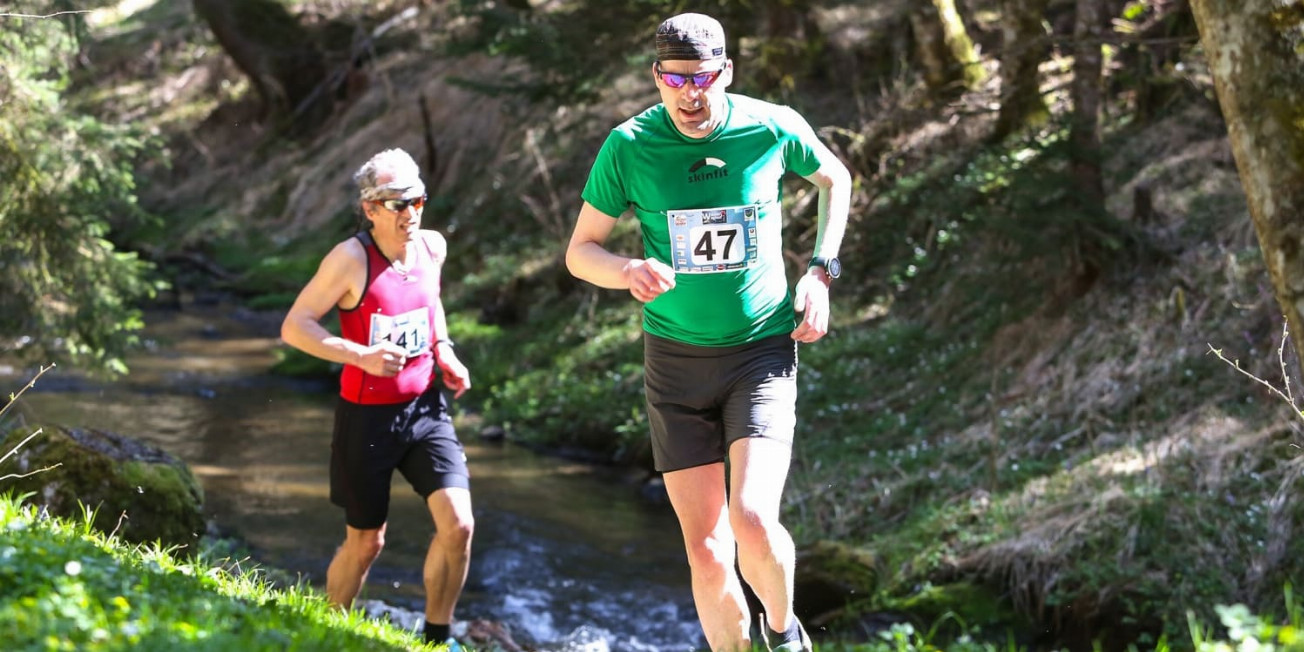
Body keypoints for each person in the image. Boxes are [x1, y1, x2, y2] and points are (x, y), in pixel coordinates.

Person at [564, 12, 851, 652]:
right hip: (674, 365)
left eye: (703, 78)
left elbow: (836, 179)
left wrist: (821, 273)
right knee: (707, 550)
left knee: (751, 518)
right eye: (674, 79)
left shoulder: (770, 125)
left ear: (726, 72)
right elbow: (581, 251)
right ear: (657, 78)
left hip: (761, 354)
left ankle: (784, 633)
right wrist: (627, 269)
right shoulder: (630, 145)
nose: (690, 94)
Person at [280, 148, 474, 648]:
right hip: (366, 419)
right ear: (370, 208)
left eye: (418, 200)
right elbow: (294, 327)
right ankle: (326, 629)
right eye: (397, 203)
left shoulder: (432, 247)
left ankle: (436, 637)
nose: (410, 213)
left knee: (459, 525)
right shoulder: (349, 259)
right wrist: (359, 355)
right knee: (367, 542)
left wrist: (444, 349)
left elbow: (431, 305)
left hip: (426, 410)